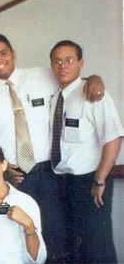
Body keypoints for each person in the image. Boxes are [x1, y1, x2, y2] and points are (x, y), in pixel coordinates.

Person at [0, 34, 104, 262]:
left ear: (13, 54)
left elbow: (70, 79)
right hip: (13, 176)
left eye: (3, 53)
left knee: (54, 233)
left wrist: (94, 78)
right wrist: (1, 170)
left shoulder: (40, 76)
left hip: (48, 175)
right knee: (13, 232)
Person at [49, 40, 123, 263]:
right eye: (57, 61)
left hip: (90, 182)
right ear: (51, 65)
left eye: (69, 60)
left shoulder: (93, 94)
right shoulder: (55, 99)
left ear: (81, 63)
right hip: (62, 183)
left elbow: (113, 137)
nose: (63, 66)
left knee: (96, 246)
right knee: (72, 246)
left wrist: (100, 180)